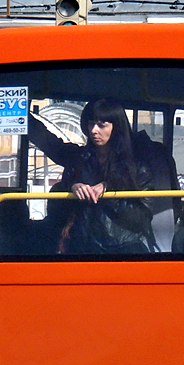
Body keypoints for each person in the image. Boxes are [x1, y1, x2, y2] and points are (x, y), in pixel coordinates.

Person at [29, 99, 157, 254]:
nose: (94, 130)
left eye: (102, 125)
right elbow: (50, 144)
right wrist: (71, 187)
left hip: (123, 251)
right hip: (81, 249)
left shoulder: (138, 168)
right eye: (91, 124)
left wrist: (110, 193)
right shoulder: (79, 159)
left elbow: (141, 220)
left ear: (116, 127)